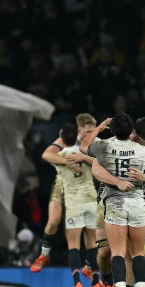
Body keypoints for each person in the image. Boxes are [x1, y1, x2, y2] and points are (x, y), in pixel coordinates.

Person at [81, 112, 145, 287]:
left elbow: (84, 147)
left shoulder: (106, 146)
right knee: (112, 252)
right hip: (128, 203)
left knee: (120, 252)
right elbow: (96, 171)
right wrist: (123, 181)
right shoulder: (142, 150)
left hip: (114, 202)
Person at [31, 114, 96, 278]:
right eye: (88, 131)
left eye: (93, 131)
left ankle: (89, 266)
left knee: (91, 230)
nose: (91, 134)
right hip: (63, 184)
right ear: (79, 130)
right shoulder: (67, 140)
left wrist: (84, 158)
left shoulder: (95, 143)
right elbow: (47, 154)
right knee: (53, 221)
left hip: (86, 187)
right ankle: (44, 254)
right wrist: (66, 161)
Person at [51, 123, 100, 287]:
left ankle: (77, 282)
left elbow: (49, 156)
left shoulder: (60, 156)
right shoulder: (84, 154)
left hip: (74, 203)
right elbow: (98, 163)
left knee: (73, 246)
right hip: (91, 201)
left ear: (62, 139)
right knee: (91, 245)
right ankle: (95, 283)